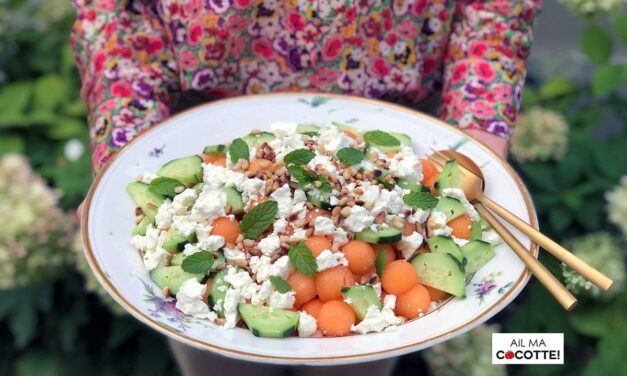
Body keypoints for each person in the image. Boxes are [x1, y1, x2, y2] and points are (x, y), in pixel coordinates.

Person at [71, 0, 542, 374]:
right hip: (207, 120)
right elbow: (115, 14)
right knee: (216, 355)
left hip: (386, 135)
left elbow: (495, 8)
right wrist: (128, 135)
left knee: (358, 356)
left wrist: (479, 117)